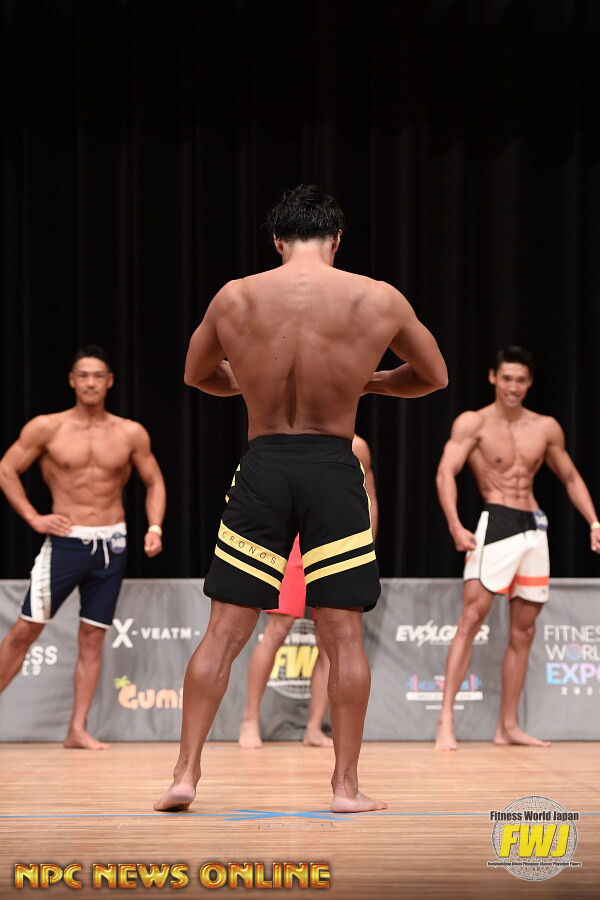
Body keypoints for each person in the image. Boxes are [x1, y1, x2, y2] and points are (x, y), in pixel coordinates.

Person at [154, 184, 447, 813]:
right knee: (342, 636)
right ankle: (345, 787)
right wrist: (366, 383)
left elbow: (196, 374)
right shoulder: (377, 297)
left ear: (277, 240)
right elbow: (433, 376)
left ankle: (184, 774)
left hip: (264, 465)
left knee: (224, 630)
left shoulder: (235, 296)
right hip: (332, 467)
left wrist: (253, 382)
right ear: (337, 238)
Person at [434, 346, 600, 751]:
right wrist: (455, 525)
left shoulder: (545, 427)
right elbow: (445, 472)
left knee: (524, 631)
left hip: (534, 528)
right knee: (471, 619)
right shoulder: (474, 422)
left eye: (520, 380)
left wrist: (594, 522)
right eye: (506, 378)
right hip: (496, 522)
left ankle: (507, 726)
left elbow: (571, 477)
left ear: (530, 383)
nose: (513, 386)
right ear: (493, 377)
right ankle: (445, 721)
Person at [0, 346, 166, 750]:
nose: (91, 383)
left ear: (110, 382)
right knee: (24, 632)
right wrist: (34, 518)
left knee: (92, 637)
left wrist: (155, 527)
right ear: (72, 381)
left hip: (113, 545)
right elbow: (6, 469)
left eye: (98, 376)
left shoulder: (130, 432)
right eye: (84, 376)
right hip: (66, 544)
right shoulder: (48, 428)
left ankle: (77, 729)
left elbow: (154, 481)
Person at [238, 434, 378, 750]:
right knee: (278, 629)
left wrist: (367, 546)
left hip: (338, 541)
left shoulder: (357, 446)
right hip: (295, 540)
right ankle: (249, 719)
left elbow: (368, 496)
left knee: (329, 641)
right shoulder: (295, 435)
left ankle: (313, 727)